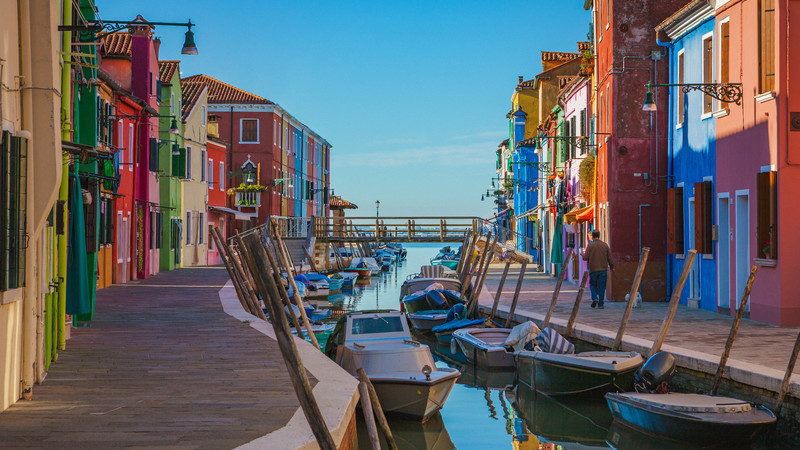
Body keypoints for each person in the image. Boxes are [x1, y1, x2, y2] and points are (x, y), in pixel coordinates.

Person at [582, 230, 614, 309]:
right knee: (602, 287)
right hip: (603, 269)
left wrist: (582, 255)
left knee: (592, 285)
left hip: (593, 270)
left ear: (592, 236)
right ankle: (601, 304)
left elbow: (585, 258)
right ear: (599, 236)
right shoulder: (605, 245)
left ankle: (595, 298)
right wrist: (612, 267)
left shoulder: (590, 246)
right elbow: (609, 258)